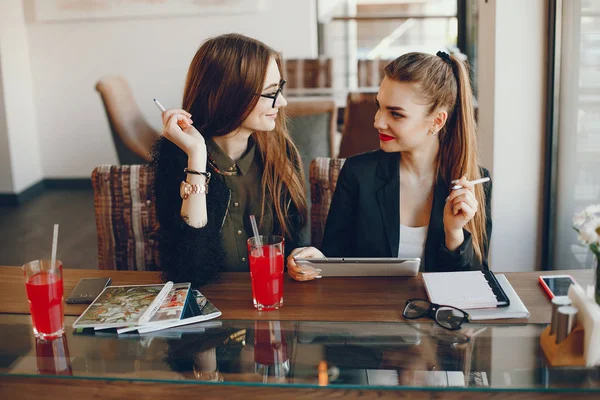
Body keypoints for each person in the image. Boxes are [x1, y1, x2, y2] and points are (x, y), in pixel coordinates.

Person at [288, 51, 492, 279]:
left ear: (437, 121)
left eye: (396, 114)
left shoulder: (472, 184)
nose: (377, 121)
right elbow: (335, 261)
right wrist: (317, 260)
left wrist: (453, 232)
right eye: (379, 107)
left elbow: (474, 283)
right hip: (371, 310)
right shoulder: (358, 174)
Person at [152, 33, 308, 287]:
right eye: (271, 92)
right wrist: (197, 158)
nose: (282, 101)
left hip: (274, 299)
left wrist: (301, 258)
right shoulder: (176, 157)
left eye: (280, 88)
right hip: (209, 309)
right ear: (231, 95)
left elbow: (293, 245)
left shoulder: (281, 153)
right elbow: (188, 272)